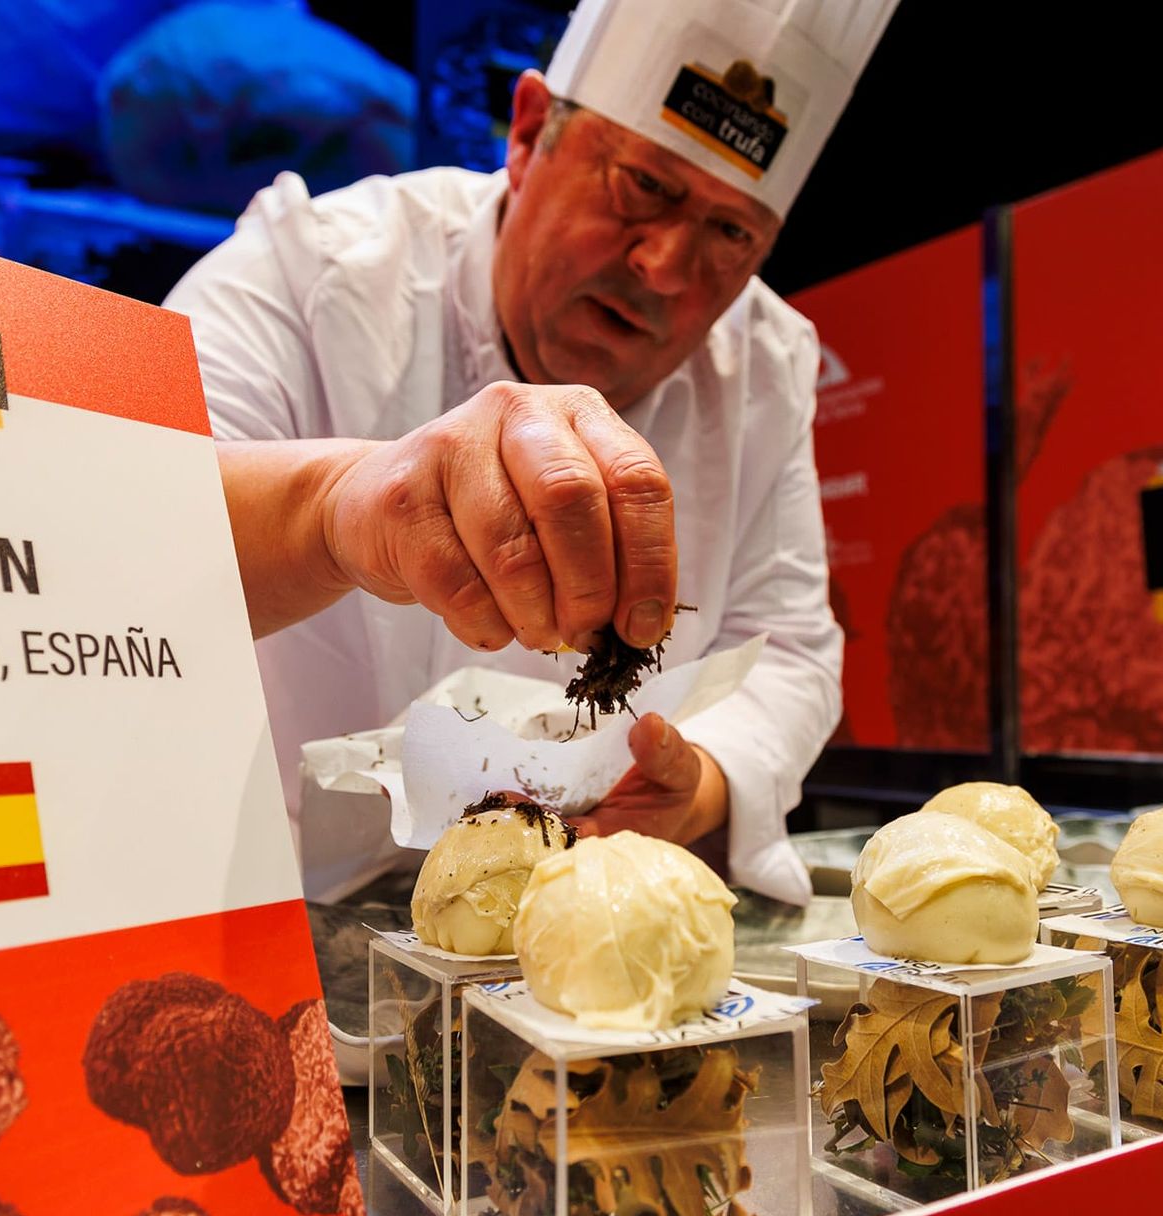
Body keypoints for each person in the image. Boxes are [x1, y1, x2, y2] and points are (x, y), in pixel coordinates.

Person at [165, 0, 901, 905]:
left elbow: (788, 647)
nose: (667, 265)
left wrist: (698, 782)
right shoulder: (309, 269)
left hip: (578, 913)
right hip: (272, 898)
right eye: (645, 185)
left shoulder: (764, 362)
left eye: (731, 233)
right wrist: (339, 508)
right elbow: (119, 532)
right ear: (527, 132)